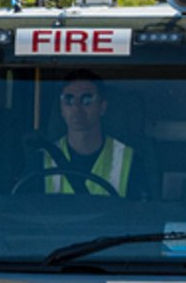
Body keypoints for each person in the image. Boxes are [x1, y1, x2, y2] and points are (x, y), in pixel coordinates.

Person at [43, 71, 149, 199]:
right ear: (61, 109)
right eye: (69, 100)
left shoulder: (129, 160)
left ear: (102, 107)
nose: (77, 108)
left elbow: (139, 215)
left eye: (86, 100)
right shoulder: (43, 159)